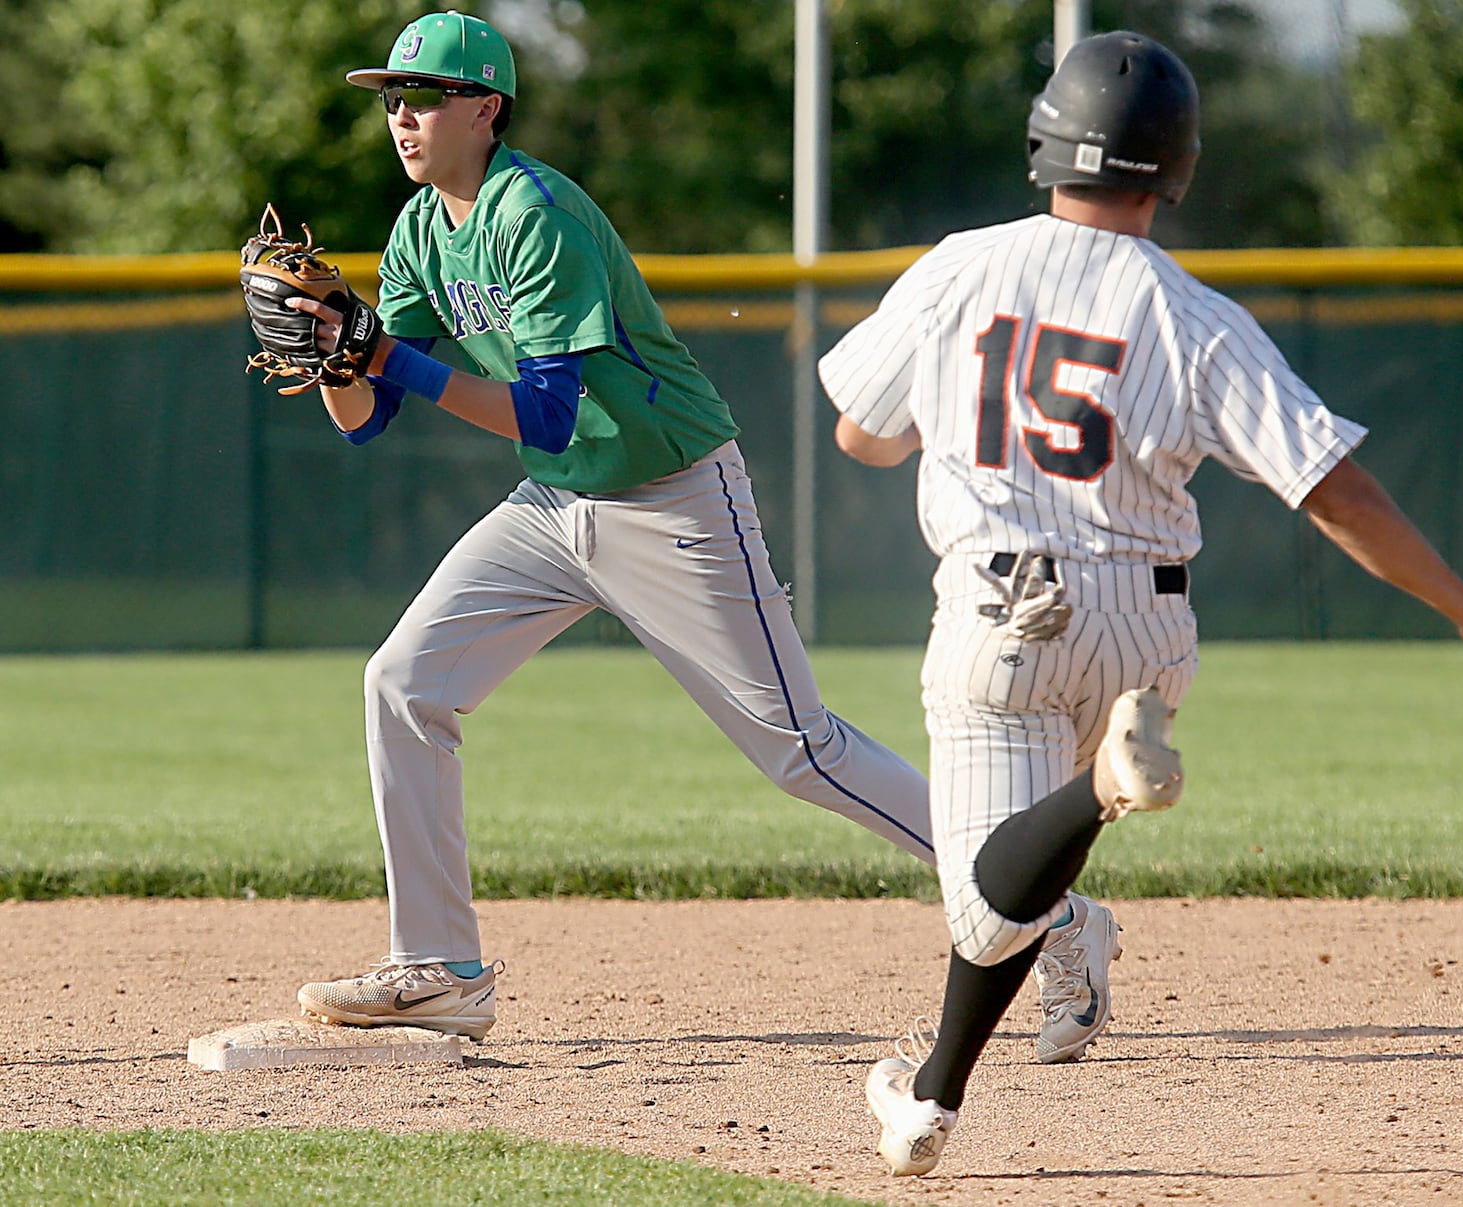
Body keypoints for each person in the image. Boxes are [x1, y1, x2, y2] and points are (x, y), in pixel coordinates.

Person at [273, 11, 1113, 1053]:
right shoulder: (414, 233)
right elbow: (367, 426)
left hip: (673, 497)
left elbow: (544, 409)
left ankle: (1052, 908)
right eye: (390, 99)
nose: (400, 116)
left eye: (423, 96)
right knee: (404, 684)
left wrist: (386, 359)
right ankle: (439, 968)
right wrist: (334, 358)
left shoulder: (535, 211)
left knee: (802, 752)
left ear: (485, 109)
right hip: (557, 505)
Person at [817, 29, 1463, 1177]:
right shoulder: (1188, 313)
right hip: (1143, 629)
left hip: (994, 619)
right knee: (1025, 871)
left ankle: (1090, 807)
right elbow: (1333, 488)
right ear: (1175, 168)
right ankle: (931, 1095)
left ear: (1042, 143)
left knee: (984, 907)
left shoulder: (960, 264)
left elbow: (859, 433)